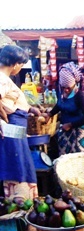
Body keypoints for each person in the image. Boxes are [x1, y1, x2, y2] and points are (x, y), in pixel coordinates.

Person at [0, 44, 41, 199]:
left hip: (17, 125)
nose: (21, 68)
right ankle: (18, 201)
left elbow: (11, 101)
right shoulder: (2, 78)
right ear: (15, 64)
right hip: (12, 126)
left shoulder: (6, 79)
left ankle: (21, 200)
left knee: (21, 161)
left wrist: (30, 109)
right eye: (22, 65)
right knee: (16, 163)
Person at [45, 62, 84, 156]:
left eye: (68, 88)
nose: (66, 90)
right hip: (65, 132)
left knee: (80, 160)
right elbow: (59, 105)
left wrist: (71, 125)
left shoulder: (79, 96)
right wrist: (50, 114)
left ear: (74, 83)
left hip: (79, 133)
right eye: (63, 87)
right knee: (64, 160)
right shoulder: (61, 92)